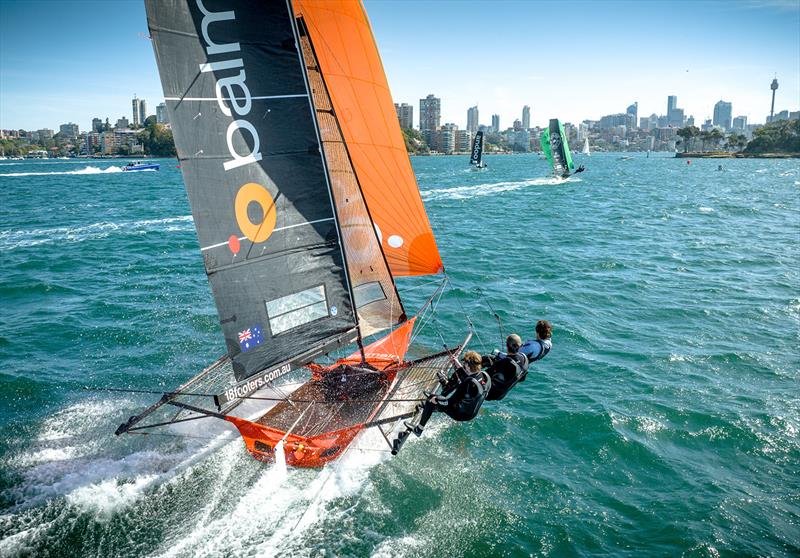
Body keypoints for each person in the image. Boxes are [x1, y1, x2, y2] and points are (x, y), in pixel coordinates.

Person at [392, 351, 490, 454]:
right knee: (438, 400)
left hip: (460, 414)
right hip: (471, 413)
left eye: (465, 364)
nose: (464, 366)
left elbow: (450, 403)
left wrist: (436, 400)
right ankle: (429, 407)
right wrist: (457, 365)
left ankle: (419, 429)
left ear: (469, 366)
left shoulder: (468, 382)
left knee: (431, 399)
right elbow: (472, 383)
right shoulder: (485, 376)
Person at [483, 334, 529, 401]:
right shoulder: (524, 358)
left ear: (507, 346)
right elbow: (522, 378)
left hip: (491, 393)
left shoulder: (504, 363)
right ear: (521, 346)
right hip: (502, 394)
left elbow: (484, 375)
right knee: (491, 359)